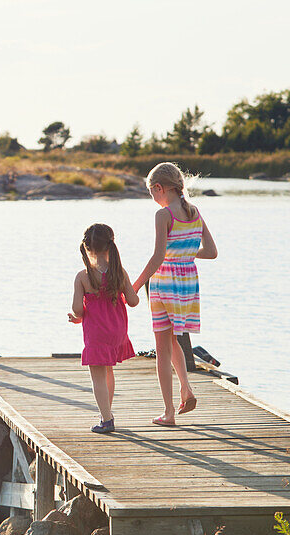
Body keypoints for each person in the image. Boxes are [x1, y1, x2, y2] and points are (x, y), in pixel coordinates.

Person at [131, 162, 218, 426]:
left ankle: (168, 412)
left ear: (159, 188)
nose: (153, 198)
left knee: (161, 345)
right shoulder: (194, 212)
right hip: (187, 283)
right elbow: (212, 252)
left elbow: (158, 257)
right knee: (172, 340)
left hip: (165, 282)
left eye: (151, 192)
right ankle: (186, 388)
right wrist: (185, 253)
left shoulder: (163, 215)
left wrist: (133, 286)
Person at [67, 223, 140, 433]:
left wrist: (76, 317)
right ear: (110, 246)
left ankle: (106, 420)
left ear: (88, 248)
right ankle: (106, 412)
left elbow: (77, 310)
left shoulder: (83, 276)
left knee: (97, 376)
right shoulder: (120, 272)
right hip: (117, 332)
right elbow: (133, 302)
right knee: (108, 371)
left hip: (96, 334)